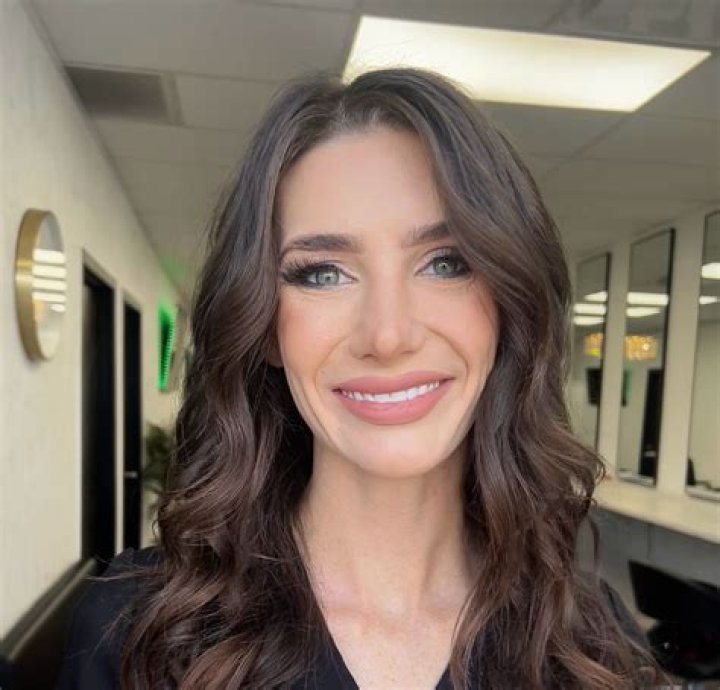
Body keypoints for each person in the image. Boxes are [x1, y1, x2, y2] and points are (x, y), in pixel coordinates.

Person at [55, 67, 667, 689]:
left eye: (446, 263)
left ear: (510, 307)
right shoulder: (139, 631)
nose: (388, 334)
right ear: (265, 326)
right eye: (323, 273)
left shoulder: (590, 645)